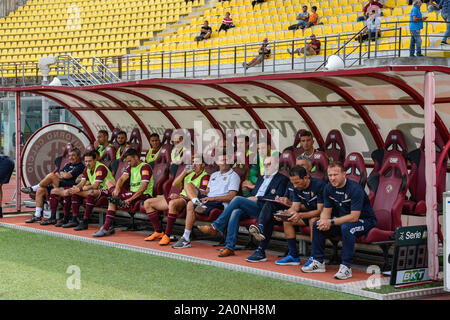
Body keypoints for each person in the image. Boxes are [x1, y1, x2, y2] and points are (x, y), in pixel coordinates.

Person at [198, 155, 289, 259]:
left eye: (269, 164)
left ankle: (216, 226)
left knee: (237, 199)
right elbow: (253, 194)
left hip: (265, 208)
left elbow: (276, 198)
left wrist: (258, 198)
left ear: (276, 165)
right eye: (265, 164)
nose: (266, 166)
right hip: (254, 207)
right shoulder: (261, 178)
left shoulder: (282, 179)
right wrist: (251, 197)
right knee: (236, 212)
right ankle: (229, 247)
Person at [301, 162, 377, 280]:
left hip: (365, 221)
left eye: (335, 175)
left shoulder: (355, 189)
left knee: (347, 227)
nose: (332, 178)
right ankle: (318, 262)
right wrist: (324, 221)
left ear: (344, 174)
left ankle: (346, 267)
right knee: (317, 224)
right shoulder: (328, 188)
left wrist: (330, 222)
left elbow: (354, 217)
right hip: (343, 221)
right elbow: (326, 211)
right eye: (330, 175)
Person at [174, 152, 241, 249]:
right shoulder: (214, 175)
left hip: (219, 203)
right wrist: (198, 190)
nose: (225, 162)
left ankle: (186, 237)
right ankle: (196, 203)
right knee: (189, 186)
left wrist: (211, 198)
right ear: (217, 162)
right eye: (222, 160)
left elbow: (231, 197)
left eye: (227, 160)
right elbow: (207, 192)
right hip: (208, 200)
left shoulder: (234, 176)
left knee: (189, 204)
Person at [262, 165, 325, 266]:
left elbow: (320, 210)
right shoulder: (295, 187)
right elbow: (295, 207)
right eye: (293, 183)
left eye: (297, 182)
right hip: (306, 215)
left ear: (305, 178)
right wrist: (283, 214)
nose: (294, 186)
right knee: (287, 220)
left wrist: (300, 215)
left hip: (322, 216)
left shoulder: (319, 185)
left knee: (313, 220)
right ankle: (293, 256)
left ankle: (314, 257)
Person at [144, 154, 210, 246]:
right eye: (193, 162)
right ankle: (158, 231)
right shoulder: (189, 174)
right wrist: (184, 172)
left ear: (203, 164)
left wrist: (179, 197)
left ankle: (167, 235)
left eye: (197, 162)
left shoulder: (205, 176)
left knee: (172, 203)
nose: (194, 164)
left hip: (188, 200)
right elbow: (175, 184)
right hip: (180, 197)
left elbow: (201, 195)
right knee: (148, 203)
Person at [92, 148, 153, 237]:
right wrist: (116, 189)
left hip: (143, 195)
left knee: (112, 200)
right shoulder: (130, 167)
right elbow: (121, 179)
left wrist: (130, 199)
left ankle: (106, 227)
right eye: (127, 161)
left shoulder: (145, 167)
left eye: (129, 161)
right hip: (131, 193)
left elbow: (143, 187)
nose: (128, 163)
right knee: (109, 182)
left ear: (136, 157)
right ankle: (108, 225)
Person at [23, 148, 85, 224]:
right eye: (69, 155)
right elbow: (58, 174)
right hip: (59, 184)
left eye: (73, 155)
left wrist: (63, 174)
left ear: (78, 156)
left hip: (68, 186)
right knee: (40, 190)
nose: (71, 157)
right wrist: (63, 175)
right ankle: (37, 215)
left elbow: (67, 176)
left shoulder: (80, 166)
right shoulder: (68, 165)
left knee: (51, 175)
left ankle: (33, 188)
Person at [59, 150, 116, 230]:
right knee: (74, 192)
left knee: (91, 192)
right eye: (86, 161)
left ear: (95, 160)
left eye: (89, 161)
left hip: (108, 191)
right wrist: (74, 188)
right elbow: (82, 182)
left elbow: (96, 185)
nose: (87, 163)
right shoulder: (87, 168)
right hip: (97, 190)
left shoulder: (100, 168)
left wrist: (80, 189)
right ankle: (74, 219)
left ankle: (85, 221)